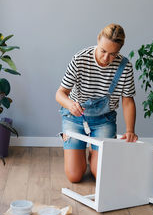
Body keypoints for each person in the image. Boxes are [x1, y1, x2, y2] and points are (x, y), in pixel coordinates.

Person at [55, 23, 138, 183]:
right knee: (74, 176)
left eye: (113, 54)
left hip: (104, 121)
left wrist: (130, 130)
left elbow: (128, 100)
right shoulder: (80, 58)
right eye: (103, 51)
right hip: (74, 118)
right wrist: (71, 105)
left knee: (100, 176)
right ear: (98, 40)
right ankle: (85, 152)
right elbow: (60, 94)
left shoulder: (125, 66)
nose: (106, 58)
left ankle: (94, 153)